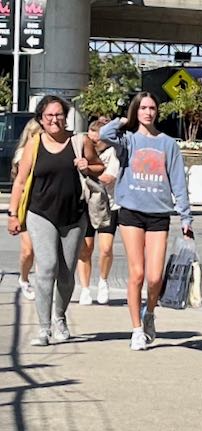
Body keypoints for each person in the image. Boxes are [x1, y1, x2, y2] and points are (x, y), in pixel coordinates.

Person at [7, 95, 104, 346]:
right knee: (47, 266)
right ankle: (43, 328)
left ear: (66, 117)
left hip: (74, 216)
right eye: (49, 115)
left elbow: (100, 168)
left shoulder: (80, 141)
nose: (54, 119)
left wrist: (86, 166)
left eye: (59, 114)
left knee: (66, 273)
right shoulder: (34, 144)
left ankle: (60, 318)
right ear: (41, 119)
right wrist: (13, 214)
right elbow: (20, 181)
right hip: (40, 213)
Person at [100, 92, 193, 351]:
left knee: (154, 277)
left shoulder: (168, 144)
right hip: (131, 212)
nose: (148, 112)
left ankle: (149, 313)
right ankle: (136, 330)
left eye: (152, 108)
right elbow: (104, 134)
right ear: (136, 111)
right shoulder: (127, 140)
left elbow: (178, 182)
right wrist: (123, 120)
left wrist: (186, 216)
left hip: (158, 214)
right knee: (137, 273)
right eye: (143, 108)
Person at [77, 119, 120, 306]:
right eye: (90, 140)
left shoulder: (113, 153)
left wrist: (89, 170)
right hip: (86, 203)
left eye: (96, 141)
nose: (93, 144)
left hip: (108, 204)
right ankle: (85, 289)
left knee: (106, 248)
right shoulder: (82, 152)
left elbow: (108, 178)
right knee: (85, 249)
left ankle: (103, 280)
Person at [11, 119, 41, 301]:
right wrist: (13, 213)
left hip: (45, 205)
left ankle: (42, 283)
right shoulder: (22, 155)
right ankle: (24, 278)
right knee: (28, 250)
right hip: (27, 205)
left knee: (44, 251)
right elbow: (19, 182)